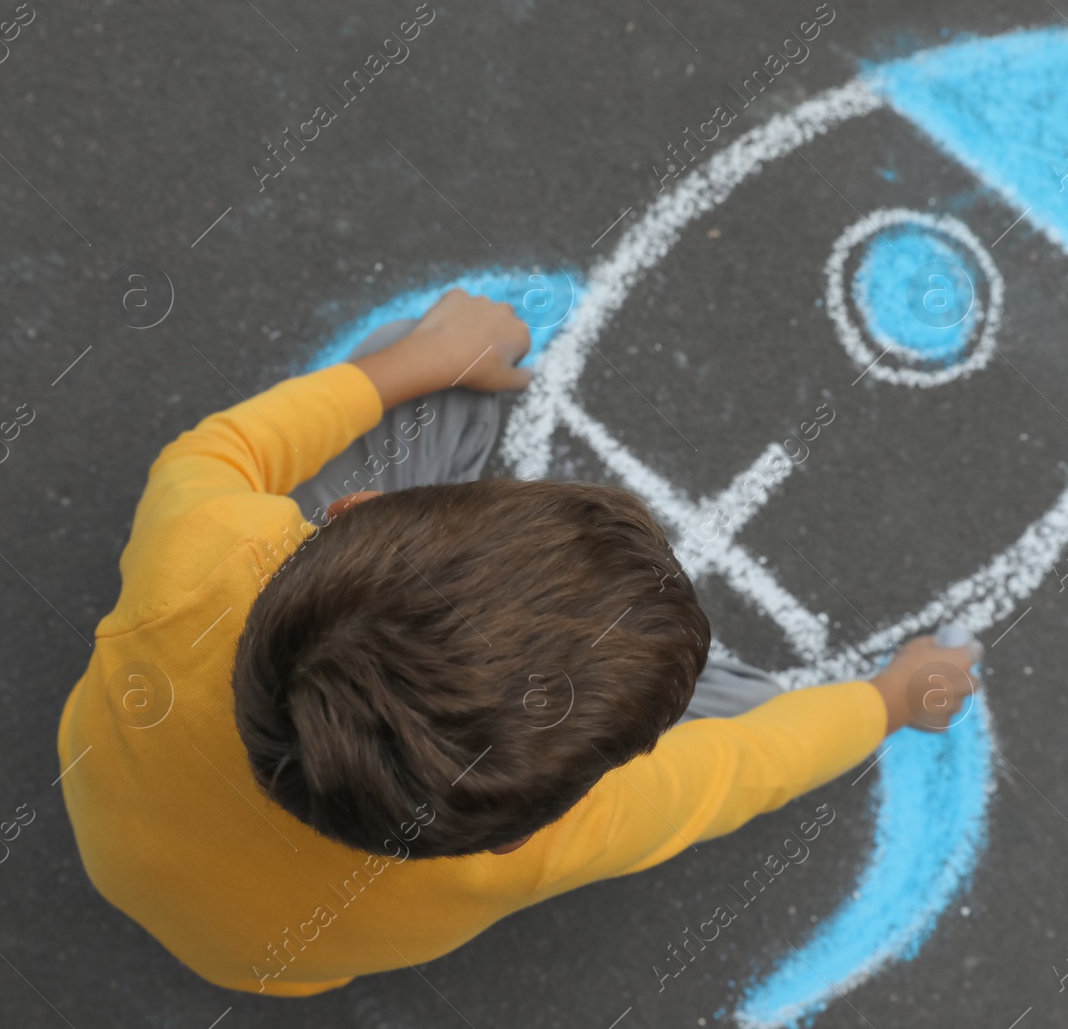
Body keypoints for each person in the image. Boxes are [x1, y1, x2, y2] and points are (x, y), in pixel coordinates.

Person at [56, 288, 980, 996]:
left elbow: (214, 453)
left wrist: (418, 360)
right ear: (520, 836)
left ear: (354, 511)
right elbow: (743, 768)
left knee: (435, 385)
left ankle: (431, 367)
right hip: (266, 963)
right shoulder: (554, 844)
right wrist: (889, 702)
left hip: (129, 840)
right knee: (761, 713)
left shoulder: (202, 558)